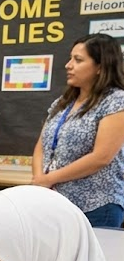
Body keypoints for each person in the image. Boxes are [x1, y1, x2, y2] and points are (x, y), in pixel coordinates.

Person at [31, 33, 124, 228]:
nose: (68, 65)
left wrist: (48, 180)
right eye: (70, 58)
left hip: (95, 207)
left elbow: (101, 157)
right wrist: (40, 183)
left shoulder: (116, 101)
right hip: (53, 202)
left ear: (100, 67)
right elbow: (42, 147)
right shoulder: (63, 102)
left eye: (78, 60)